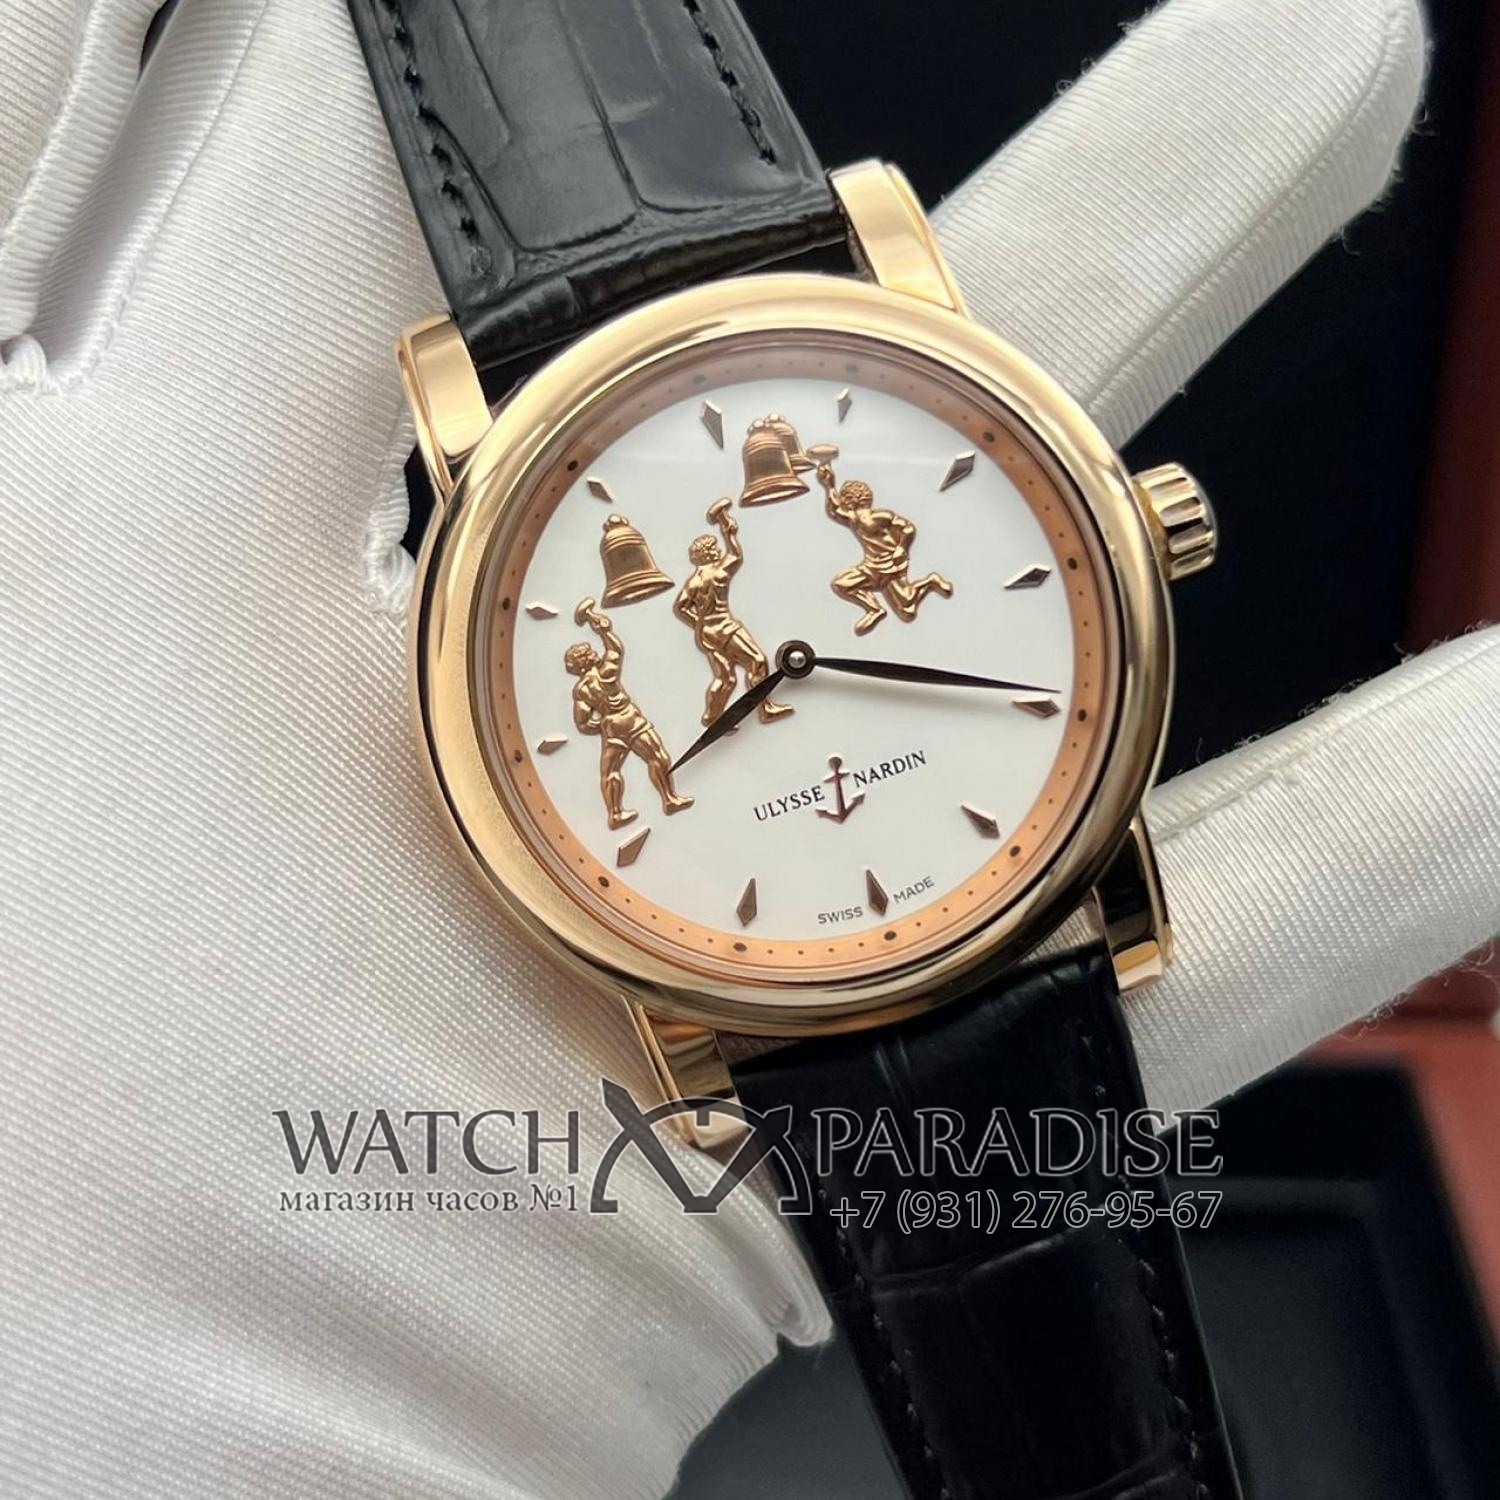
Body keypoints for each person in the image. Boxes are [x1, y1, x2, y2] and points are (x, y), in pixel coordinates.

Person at [565, 598, 694, 830]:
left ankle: (615, 813)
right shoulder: (605, 673)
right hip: (630, 719)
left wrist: (603, 725)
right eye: (589, 653)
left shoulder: (581, 690)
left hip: (611, 727)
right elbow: (616, 650)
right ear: (584, 661)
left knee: (610, 770)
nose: (594, 653)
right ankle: (669, 798)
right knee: (657, 756)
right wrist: (604, 631)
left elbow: (582, 723)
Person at [674, 498, 794, 725]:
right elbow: (736, 556)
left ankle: (712, 717)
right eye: (714, 548)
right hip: (725, 627)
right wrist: (729, 532)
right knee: (757, 661)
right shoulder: (717, 572)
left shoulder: (693, 581)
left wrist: (699, 624)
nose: (718, 551)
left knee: (726, 678)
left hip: (707, 634)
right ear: (707, 553)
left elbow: (680, 607)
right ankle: (765, 709)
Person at [819, 462, 953, 634]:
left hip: (891, 566)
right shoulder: (853, 518)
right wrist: (829, 485)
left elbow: (908, 528)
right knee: (841, 584)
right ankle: (875, 609)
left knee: (907, 610)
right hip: (871, 567)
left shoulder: (881, 516)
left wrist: (901, 548)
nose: (843, 501)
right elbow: (834, 511)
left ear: (854, 499)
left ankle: (931, 581)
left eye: (845, 497)